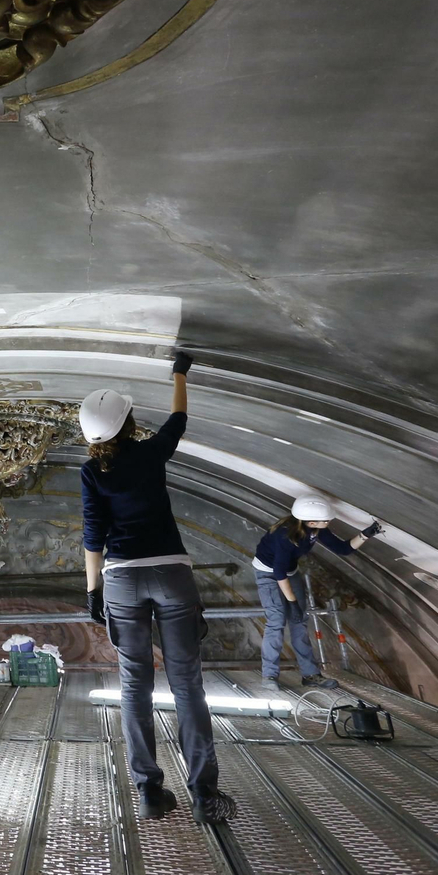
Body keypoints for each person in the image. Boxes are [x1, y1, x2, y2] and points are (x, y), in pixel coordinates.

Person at [82, 351, 237, 825]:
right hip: (171, 574)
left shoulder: (91, 472)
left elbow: (93, 535)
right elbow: (179, 418)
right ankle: (205, 795)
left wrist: (93, 593)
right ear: (129, 423)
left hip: (121, 581)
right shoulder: (150, 453)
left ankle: (150, 791)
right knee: (188, 684)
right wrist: (180, 372)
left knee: (134, 687)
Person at [255, 495, 383, 688]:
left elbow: (343, 548)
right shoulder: (285, 536)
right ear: (312, 521)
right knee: (276, 622)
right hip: (269, 575)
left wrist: (366, 534)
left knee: (299, 623)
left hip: (289, 573)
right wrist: (292, 603)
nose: (329, 521)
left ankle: (310, 675)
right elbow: (278, 572)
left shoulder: (314, 528)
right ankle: (269, 676)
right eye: (326, 520)